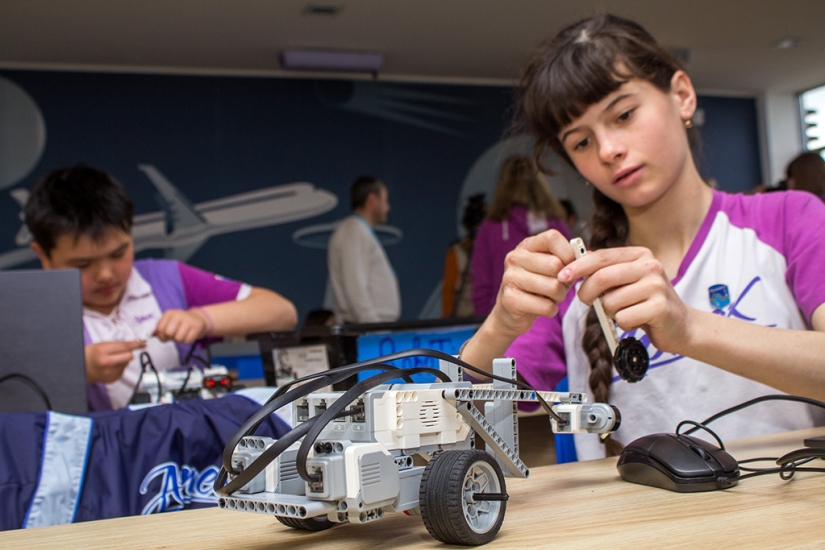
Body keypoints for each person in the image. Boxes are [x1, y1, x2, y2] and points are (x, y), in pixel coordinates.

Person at [459, 14, 825, 460]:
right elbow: (467, 412)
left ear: (682, 96)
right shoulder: (580, 280)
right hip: (637, 529)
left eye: (625, 114)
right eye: (581, 142)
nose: (608, 150)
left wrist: (689, 329)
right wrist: (499, 325)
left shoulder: (788, 219)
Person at [25, 164, 298, 411]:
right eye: (83, 264)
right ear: (43, 255)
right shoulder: (31, 314)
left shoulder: (166, 277)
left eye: (119, 254)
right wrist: (76, 368)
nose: (106, 275)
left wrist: (202, 319)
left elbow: (282, 312)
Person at [471, 154, 570, 316]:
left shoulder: (489, 228)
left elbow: (482, 286)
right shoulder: (556, 224)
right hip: (552, 320)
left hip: (505, 321)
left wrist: (485, 325)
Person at [327, 175, 400, 323]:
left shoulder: (359, 231)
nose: (387, 208)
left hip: (370, 329)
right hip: (365, 332)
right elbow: (355, 286)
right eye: (385, 201)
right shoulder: (353, 231)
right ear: (372, 200)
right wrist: (372, 328)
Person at [442, 193, 486, 318]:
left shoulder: (495, 252)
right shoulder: (456, 252)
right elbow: (448, 293)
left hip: (489, 321)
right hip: (462, 321)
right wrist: (447, 324)